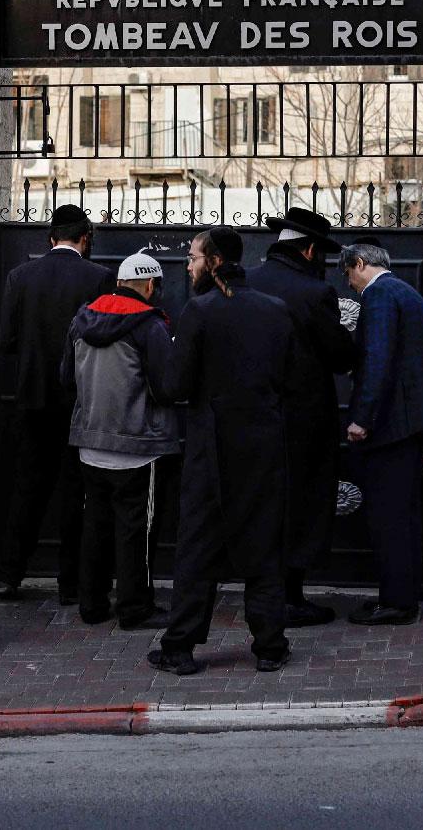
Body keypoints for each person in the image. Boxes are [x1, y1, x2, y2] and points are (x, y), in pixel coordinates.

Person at [149, 227, 295, 675]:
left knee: (197, 549)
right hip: (264, 445)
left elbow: (176, 384)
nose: (187, 266)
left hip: (211, 447)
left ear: (213, 261)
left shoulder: (200, 311)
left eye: (193, 257)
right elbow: (289, 378)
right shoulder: (275, 310)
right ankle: (270, 645)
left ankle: (180, 646)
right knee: (263, 544)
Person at [0, 204, 113, 603]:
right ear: (85, 238)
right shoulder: (100, 278)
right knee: (79, 493)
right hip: (82, 401)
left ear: (50, 238)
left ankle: (8, 573)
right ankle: (71, 584)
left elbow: (5, 342)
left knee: (27, 489)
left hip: (33, 399)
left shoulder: (21, 276)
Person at [247, 207, 357, 627]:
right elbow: (340, 354)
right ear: (310, 250)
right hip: (303, 424)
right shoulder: (313, 294)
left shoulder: (247, 283)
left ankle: (263, 595)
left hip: (252, 420)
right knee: (301, 509)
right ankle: (290, 598)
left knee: (261, 507)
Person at [60, 251, 179, 631]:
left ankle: (92, 604)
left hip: (90, 442)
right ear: (150, 285)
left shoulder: (81, 321)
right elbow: (165, 387)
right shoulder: (150, 326)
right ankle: (134, 608)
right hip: (138, 445)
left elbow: (66, 377)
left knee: (94, 526)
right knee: (136, 531)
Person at [339, 242, 423, 626]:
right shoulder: (407, 293)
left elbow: (377, 359)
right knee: (406, 513)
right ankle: (401, 594)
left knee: (389, 515)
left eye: (349, 276)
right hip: (412, 422)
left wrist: (362, 417)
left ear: (360, 264)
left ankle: (397, 602)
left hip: (391, 425)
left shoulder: (379, 295)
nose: (349, 286)